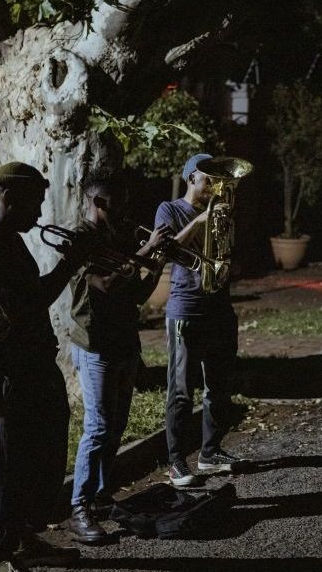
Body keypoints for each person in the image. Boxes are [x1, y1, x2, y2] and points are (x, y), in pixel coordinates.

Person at [0, 162, 89, 572]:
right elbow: (24, 307)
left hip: (34, 364)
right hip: (15, 372)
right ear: (12, 199)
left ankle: (25, 539)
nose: (39, 215)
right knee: (9, 463)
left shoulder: (9, 242)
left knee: (37, 459)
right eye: (34, 204)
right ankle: (2, 554)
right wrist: (70, 265)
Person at [65, 169, 174, 543]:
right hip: (95, 345)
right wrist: (144, 252)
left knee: (115, 427)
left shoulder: (118, 237)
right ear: (98, 203)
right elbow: (103, 287)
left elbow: (135, 296)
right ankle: (78, 508)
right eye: (118, 201)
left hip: (124, 342)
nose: (126, 207)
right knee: (96, 427)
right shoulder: (80, 239)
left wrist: (157, 264)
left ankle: (99, 495)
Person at [155, 153, 246, 487]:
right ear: (191, 177)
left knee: (218, 388)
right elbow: (163, 250)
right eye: (209, 179)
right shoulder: (170, 210)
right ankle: (176, 461)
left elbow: (230, 258)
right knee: (181, 392)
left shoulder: (223, 212)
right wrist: (200, 221)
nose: (216, 186)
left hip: (220, 308)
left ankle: (210, 453)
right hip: (187, 309)